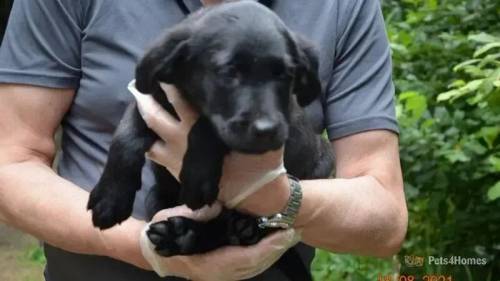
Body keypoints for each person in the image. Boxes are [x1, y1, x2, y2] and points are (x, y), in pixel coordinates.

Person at [0, 0, 407, 280]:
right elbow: (9, 164)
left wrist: (279, 197)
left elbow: (384, 220)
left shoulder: (344, 6)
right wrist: (139, 247)